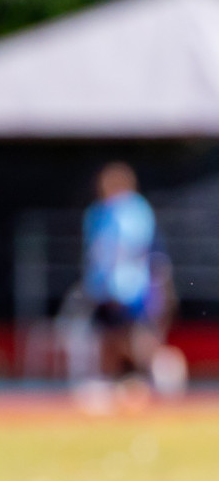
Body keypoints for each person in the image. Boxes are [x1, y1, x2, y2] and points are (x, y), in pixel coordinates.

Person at [82, 162, 162, 383]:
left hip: (129, 287)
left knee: (135, 336)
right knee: (108, 336)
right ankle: (112, 382)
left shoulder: (135, 212)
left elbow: (137, 250)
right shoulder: (98, 213)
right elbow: (95, 253)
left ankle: (148, 378)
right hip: (103, 287)